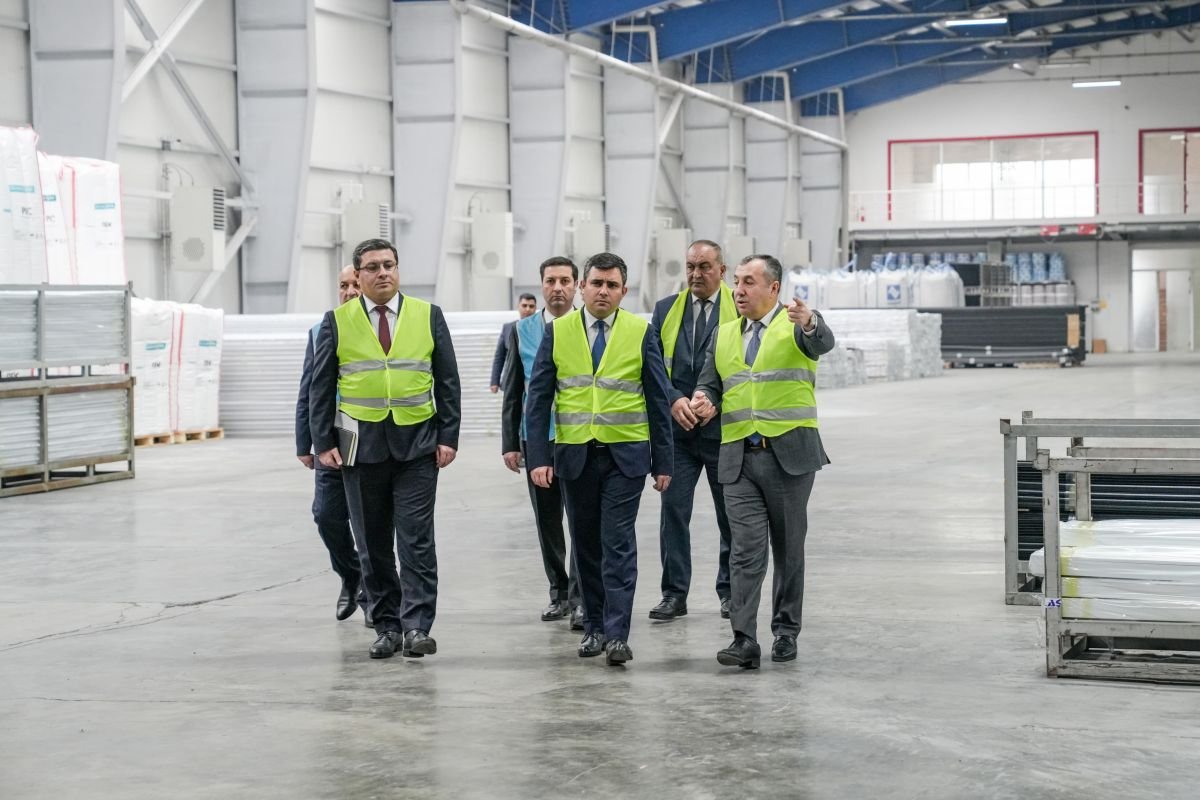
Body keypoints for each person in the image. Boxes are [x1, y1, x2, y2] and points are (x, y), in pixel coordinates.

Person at [310, 238, 462, 660]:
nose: (383, 273)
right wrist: (323, 443)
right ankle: (387, 626)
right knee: (372, 544)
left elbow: (448, 380)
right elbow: (320, 386)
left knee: (416, 541)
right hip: (359, 448)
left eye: (389, 265)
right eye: (373, 267)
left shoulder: (428, 315)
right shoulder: (336, 321)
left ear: (398, 269)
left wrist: (448, 436)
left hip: (418, 445)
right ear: (358, 276)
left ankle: (417, 627)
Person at [525, 252, 674, 667]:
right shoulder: (557, 332)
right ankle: (592, 626)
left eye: (611, 286)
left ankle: (617, 634)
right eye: (596, 284)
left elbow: (658, 400)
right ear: (582, 287)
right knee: (586, 545)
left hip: (626, 458)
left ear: (624, 291)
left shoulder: (640, 332)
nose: (603, 292)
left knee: (618, 544)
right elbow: (538, 399)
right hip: (574, 457)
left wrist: (664, 462)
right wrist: (538, 457)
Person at [690, 254, 835, 670]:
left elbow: (822, 342)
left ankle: (786, 630)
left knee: (788, 549)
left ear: (773, 288)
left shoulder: (795, 326)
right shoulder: (723, 334)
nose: (738, 290)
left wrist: (810, 321)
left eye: (749, 282)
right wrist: (704, 399)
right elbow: (710, 383)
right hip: (738, 457)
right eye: (736, 282)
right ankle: (744, 638)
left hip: (789, 458)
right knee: (744, 551)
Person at [647, 239, 738, 623]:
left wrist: (717, 400)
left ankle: (731, 592)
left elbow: (749, 365)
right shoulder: (666, 309)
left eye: (704, 267)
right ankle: (674, 594)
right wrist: (673, 399)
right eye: (690, 267)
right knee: (673, 513)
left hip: (723, 432)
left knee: (730, 517)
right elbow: (652, 365)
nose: (696, 274)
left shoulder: (740, 307)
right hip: (678, 433)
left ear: (722, 270)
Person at [501, 257, 583, 628]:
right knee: (548, 522)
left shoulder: (588, 326)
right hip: (538, 439)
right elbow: (513, 389)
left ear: (576, 285)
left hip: (579, 437)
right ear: (542, 285)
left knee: (581, 521)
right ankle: (559, 592)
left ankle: (581, 598)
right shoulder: (522, 331)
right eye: (551, 281)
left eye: (565, 280)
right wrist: (511, 443)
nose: (558, 288)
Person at [295, 264, 370, 625]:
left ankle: (373, 596)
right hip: (331, 439)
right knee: (326, 515)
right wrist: (304, 442)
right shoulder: (320, 330)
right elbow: (309, 389)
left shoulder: (381, 331)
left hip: (370, 436)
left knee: (369, 522)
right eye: (343, 285)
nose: (349, 291)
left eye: (355, 284)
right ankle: (351, 575)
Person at [491, 293, 538, 393]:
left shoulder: (542, 328)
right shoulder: (508, 328)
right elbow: (500, 356)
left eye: (531, 306)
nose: (528, 309)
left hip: (534, 381)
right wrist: (494, 381)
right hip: (511, 380)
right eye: (524, 305)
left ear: (535, 309)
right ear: (518, 307)